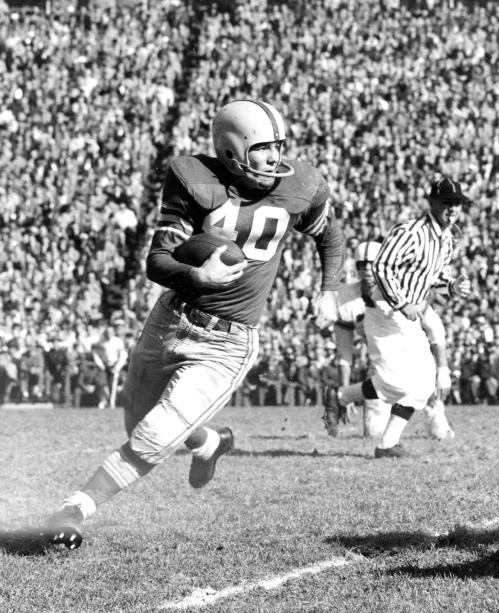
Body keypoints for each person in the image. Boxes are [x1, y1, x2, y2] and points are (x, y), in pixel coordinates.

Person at [42, 99, 345, 549]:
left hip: (228, 341)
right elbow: (157, 260)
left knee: (154, 437)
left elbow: (329, 236)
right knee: (140, 423)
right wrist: (195, 275)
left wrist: (328, 290)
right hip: (172, 318)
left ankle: (74, 509)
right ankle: (208, 443)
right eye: (263, 149)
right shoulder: (193, 180)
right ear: (230, 151)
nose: (274, 159)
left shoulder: (300, 185)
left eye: (278, 147)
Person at [325, 175, 471, 458]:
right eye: (447, 203)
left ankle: (382, 440)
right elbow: (381, 266)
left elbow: (434, 276)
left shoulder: (448, 239)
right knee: (397, 383)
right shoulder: (411, 231)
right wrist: (402, 302)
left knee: (425, 382)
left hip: (410, 312)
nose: (453, 209)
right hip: (386, 310)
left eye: (458, 204)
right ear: (432, 203)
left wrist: (451, 286)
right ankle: (348, 405)